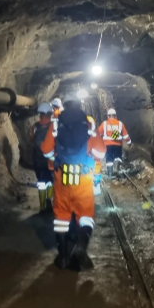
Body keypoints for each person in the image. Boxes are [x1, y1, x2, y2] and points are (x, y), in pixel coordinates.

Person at [42, 93, 106, 271]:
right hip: (83, 177)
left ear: (65, 105)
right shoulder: (89, 123)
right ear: (79, 106)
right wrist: (90, 157)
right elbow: (100, 152)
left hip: (62, 177)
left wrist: (54, 157)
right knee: (86, 216)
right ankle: (80, 248)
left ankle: (62, 258)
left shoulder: (55, 122)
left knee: (61, 216)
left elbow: (46, 149)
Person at [31, 102, 54, 210]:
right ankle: (49, 198)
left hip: (38, 159)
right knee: (51, 180)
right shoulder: (54, 126)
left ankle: (42, 205)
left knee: (41, 182)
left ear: (40, 114)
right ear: (50, 114)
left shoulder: (34, 127)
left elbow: (32, 139)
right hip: (51, 159)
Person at [98, 108, 132, 179]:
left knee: (109, 159)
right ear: (115, 116)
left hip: (107, 145)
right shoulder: (120, 124)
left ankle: (110, 174)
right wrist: (129, 143)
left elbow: (98, 133)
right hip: (118, 144)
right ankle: (116, 169)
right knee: (118, 157)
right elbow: (125, 135)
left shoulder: (104, 124)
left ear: (108, 116)